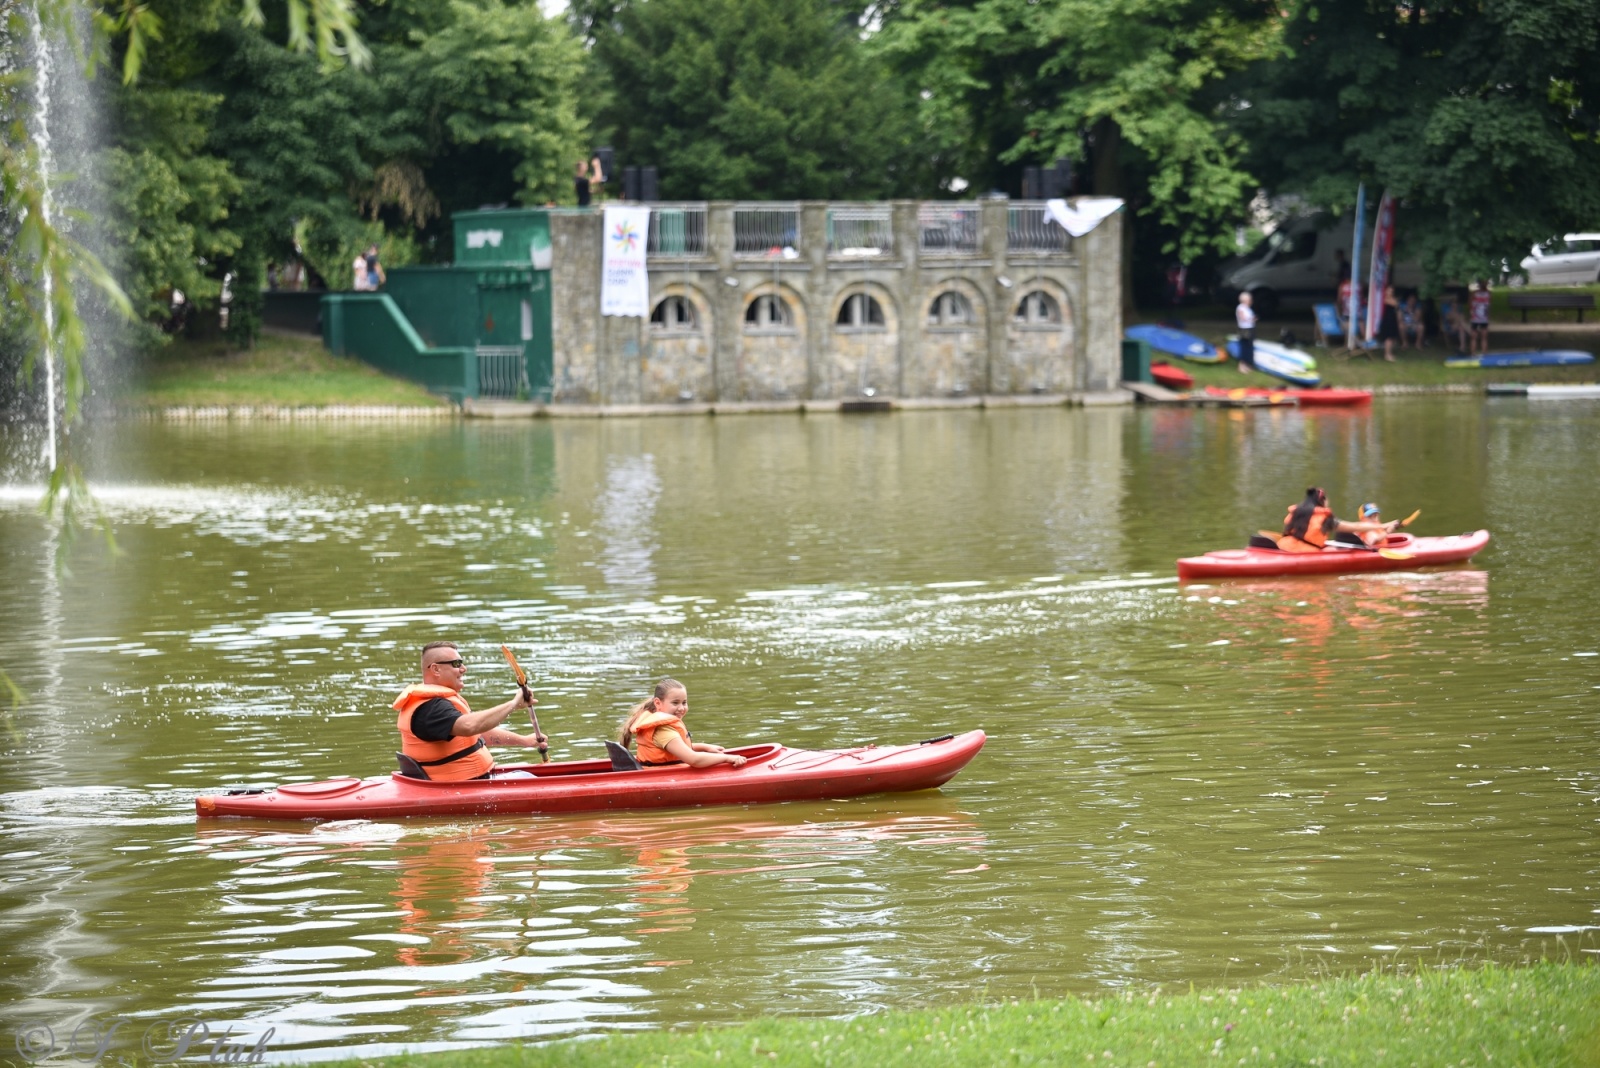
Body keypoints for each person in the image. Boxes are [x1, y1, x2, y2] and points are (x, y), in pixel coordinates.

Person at [392, 642, 547, 781]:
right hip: (456, 788)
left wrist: (524, 741)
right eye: (456, 663)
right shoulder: (432, 709)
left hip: (472, 781)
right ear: (436, 669)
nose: (463, 669)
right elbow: (469, 727)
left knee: (524, 771)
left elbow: (477, 732)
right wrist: (513, 704)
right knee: (529, 778)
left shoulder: (439, 703)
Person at [617, 678, 747, 769]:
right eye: (675, 703)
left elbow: (673, 747)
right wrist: (728, 758)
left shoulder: (663, 728)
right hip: (663, 778)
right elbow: (694, 760)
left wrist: (704, 747)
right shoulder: (663, 730)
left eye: (684, 702)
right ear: (658, 703)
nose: (681, 708)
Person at [1280, 487, 1398, 554]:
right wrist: (1383, 526)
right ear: (1322, 501)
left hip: (1283, 546)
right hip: (1304, 552)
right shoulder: (1325, 518)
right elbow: (1355, 527)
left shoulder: (1297, 512)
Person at [1377, 283, 1401, 361]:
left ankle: (1390, 353)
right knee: (1388, 338)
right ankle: (1387, 355)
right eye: (1388, 290)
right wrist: (1396, 301)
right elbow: (1395, 303)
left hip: (1392, 319)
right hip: (1387, 320)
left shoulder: (1392, 298)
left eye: (1391, 290)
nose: (1390, 292)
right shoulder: (1384, 299)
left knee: (1392, 338)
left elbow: (1397, 306)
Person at [1235, 290, 1257, 374]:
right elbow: (1242, 318)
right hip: (1244, 330)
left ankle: (1248, 364)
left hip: (1250, 328)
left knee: (1249, 347)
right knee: (1244, 346)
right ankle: (1241, 365)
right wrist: (1251, 319)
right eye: (1249, 299)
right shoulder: (1240, 307)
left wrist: (1253, 319)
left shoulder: (1247, 308)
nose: (1250, 301)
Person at [1469, 279, 1491, 356]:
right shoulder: (1485, 293)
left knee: (1482, 336)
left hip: (1481, 318)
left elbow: (1489, 306)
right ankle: (1474, 353)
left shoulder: (1487, 293)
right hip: (1478, 318)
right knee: (1477, 336)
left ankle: (1482, 353)